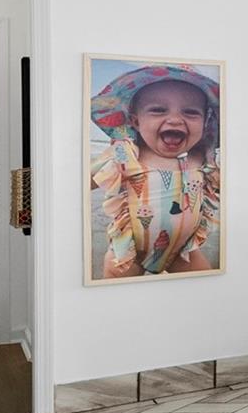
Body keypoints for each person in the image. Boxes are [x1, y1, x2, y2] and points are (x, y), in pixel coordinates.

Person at [90, 63, 221, 279]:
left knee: (206, 288)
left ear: (205, 123)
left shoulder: (202, 157)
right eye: (158, 110)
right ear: (135, 121)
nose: (175, 119)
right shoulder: (126, 153)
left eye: (190, 112)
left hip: (183, 252)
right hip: (131, 254)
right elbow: (80, 180)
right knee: (118, 297)